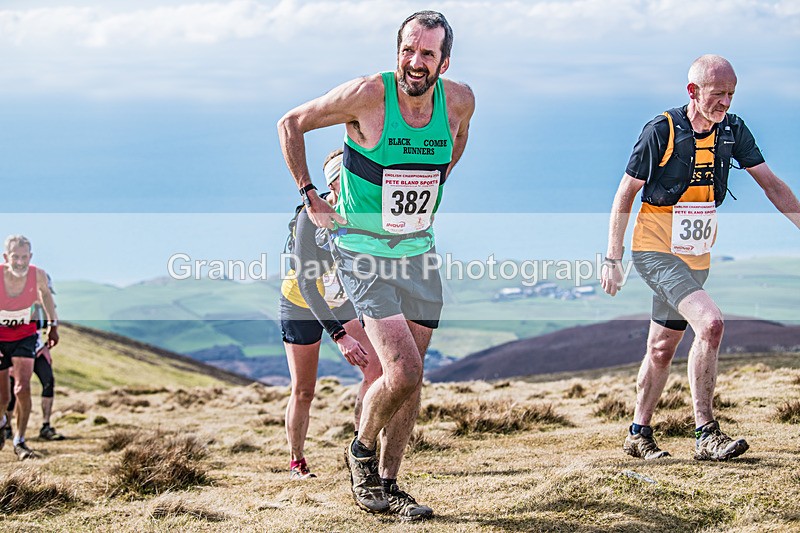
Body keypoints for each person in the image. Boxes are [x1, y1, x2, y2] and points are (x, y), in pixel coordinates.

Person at [278, 10, 474, 519]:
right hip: (363, 253)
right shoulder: (368, 95)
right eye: (408, 50)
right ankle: (361, 452)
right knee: (402, 370)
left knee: (413, 378)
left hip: (419, 251)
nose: (415, 61)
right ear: (397, 52)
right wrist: (310, 195)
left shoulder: (459, 101)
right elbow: (290, 124)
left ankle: (389, 485)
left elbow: (457, 143)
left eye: (427, 53)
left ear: (444, 62)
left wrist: (429, 185)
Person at [601, 55, 800, 461]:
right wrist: (613, 258)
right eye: (717, 93)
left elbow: (772, 185)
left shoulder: (732, 130)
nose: (725, 102)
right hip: (655, 252)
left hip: (696, 256)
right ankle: (706, 433)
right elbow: (625, 193)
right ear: (693, 91)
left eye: (731, 94)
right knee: (710, 324)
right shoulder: (661, 130)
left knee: (661, 348)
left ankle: (638, 433)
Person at [280, 148, 382, 480]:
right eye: (345, 179)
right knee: (304, 390)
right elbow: (307, 286)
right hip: (302, 304)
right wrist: (340, 336)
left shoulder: (363, 212)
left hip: (341, 300)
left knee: (376, 370)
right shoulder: (308, 217)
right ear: (333, 183)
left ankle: (360, 450)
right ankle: (297, 462)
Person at [0, 235, 59, 460]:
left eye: (24, 257)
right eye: (15, 257)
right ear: (6, 257)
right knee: (3, 397)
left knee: (22, 388)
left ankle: (20, 441)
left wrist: (53, 327)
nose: (20, 262)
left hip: (25, 337)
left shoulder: (38, 275)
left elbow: (46, 295)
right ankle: (3, 423)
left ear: (30, 256)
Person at [6, 287, 64, 442]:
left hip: (37, 351)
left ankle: (46, 426)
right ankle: (7, 428)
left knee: (48, 381)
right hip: (18, 352)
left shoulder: (46, 309)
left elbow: (47, 330)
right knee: (13, 389)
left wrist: (45, 347)